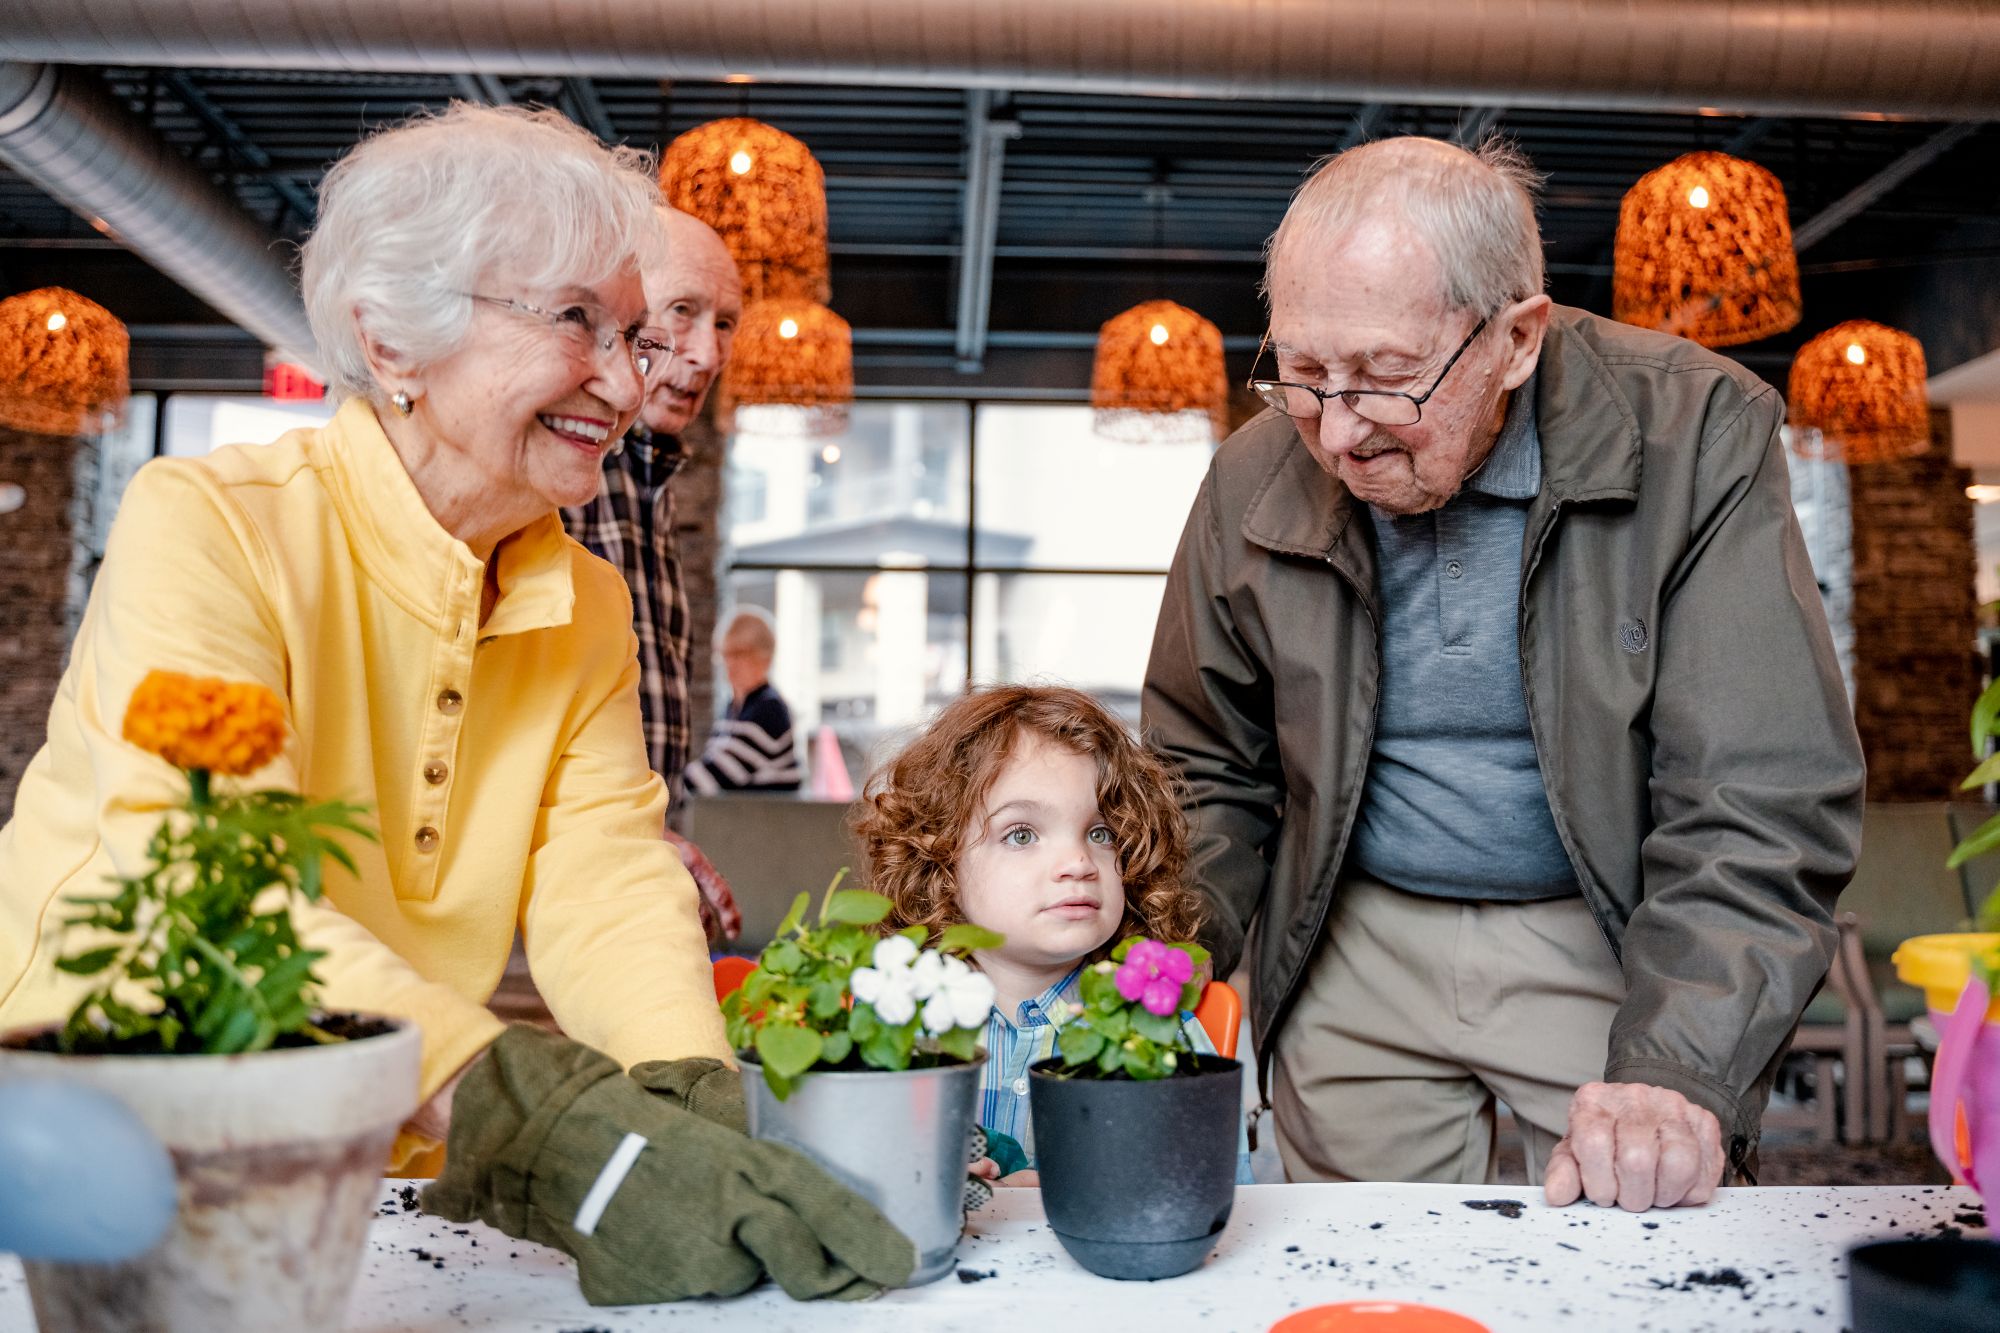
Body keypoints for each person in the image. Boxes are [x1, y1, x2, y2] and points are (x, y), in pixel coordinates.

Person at [0, 102, 912, 1302]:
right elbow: (209, 898)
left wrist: (684, 1092)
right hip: (95, 1130)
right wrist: (535, 1117)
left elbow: (603, 873)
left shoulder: (581, 599)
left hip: (365, 1154)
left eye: (629, 333)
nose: (623, 379)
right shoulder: (214, 525)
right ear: (392, 342)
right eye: (575, 321)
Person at [1142, 136, 1864, 1213]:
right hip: (1350, 931)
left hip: (1606, 931)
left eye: (1384, 378)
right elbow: (1204, 763)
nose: (1335, 430)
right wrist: (1148, 968)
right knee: (1367, 1267)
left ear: (1517, 337)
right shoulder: (1252, 473)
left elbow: (1756, 791)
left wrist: (1677, 1059)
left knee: (1629, 1247)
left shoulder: (1695, 432)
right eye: (1301, 372)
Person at [854, 684, 1246, 1185]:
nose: (1079, 862)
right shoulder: (898, 1024)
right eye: (1021, 834)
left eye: (1101, 833)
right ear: (940, 862)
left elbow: (1214, 1192)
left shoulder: (1160, 1030)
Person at [561, 204, 745, 940]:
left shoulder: (651, 481)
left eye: (725, 323)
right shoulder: (560, 473)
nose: (706, 355)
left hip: (625, 881)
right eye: (683, 311)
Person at [684, 607, 805, 795]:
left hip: (766, 814)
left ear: (765, 658)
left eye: (740, 654)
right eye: (726, 654)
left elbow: (711, 779)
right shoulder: (733, 708)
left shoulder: (769, 709)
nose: (730, 663)